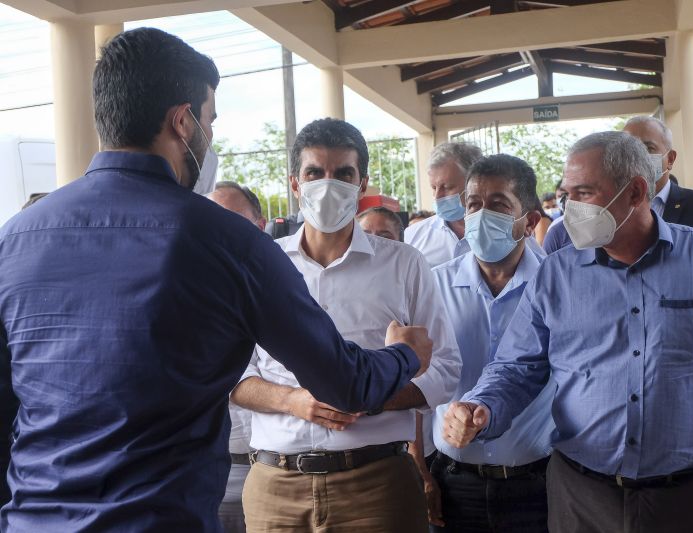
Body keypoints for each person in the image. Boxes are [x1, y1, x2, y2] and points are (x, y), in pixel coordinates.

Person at [0, 28, 432, 531]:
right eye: (210, 120)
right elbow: (347, 383)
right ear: (183, 122)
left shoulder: (16, 238)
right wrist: (407, 353)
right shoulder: (227, 243)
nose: (211, 138)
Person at [443, 131, 693, 533]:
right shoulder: (556, 275)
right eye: (566, 195)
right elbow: (515, 367)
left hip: (689, 500)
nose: (570, 207)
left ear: (635, 192)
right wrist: (483, 406)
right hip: (583, 499)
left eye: (585, 193)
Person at [230, 118, 461, 533]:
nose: (328, 184)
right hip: (277, 486)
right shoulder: (261, 264)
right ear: (295, 184)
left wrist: (365, 397)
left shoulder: (403, 264)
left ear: (362, 185)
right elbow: (230, 375)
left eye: (343, 174)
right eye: (315, 173)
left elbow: (444, 369)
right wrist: (292, 400)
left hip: (376, 484)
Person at [429, 154, 555, 532]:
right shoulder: (434, 286)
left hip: (538, 483)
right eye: (473, 205)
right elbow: (418, 383)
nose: (482, 216)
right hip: (453, 482)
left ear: (529, 221)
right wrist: (417, 466)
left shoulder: (556, 285)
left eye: (498, 206)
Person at [544, 116, 693, 254]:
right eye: (629, 148)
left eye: (647, 148)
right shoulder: (582, 221)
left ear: (670, 158)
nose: (637, 157)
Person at [206, 181, 264, 533]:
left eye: (233, 219)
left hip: (272, 471)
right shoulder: (183, 288)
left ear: (259, 224)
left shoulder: (284, 284)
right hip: (208, 478)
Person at [404, 142, 483, 267]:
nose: (437, 196)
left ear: (476, 183)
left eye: (447, 187)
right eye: (433, 187)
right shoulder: (412, 237)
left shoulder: (504, 234)